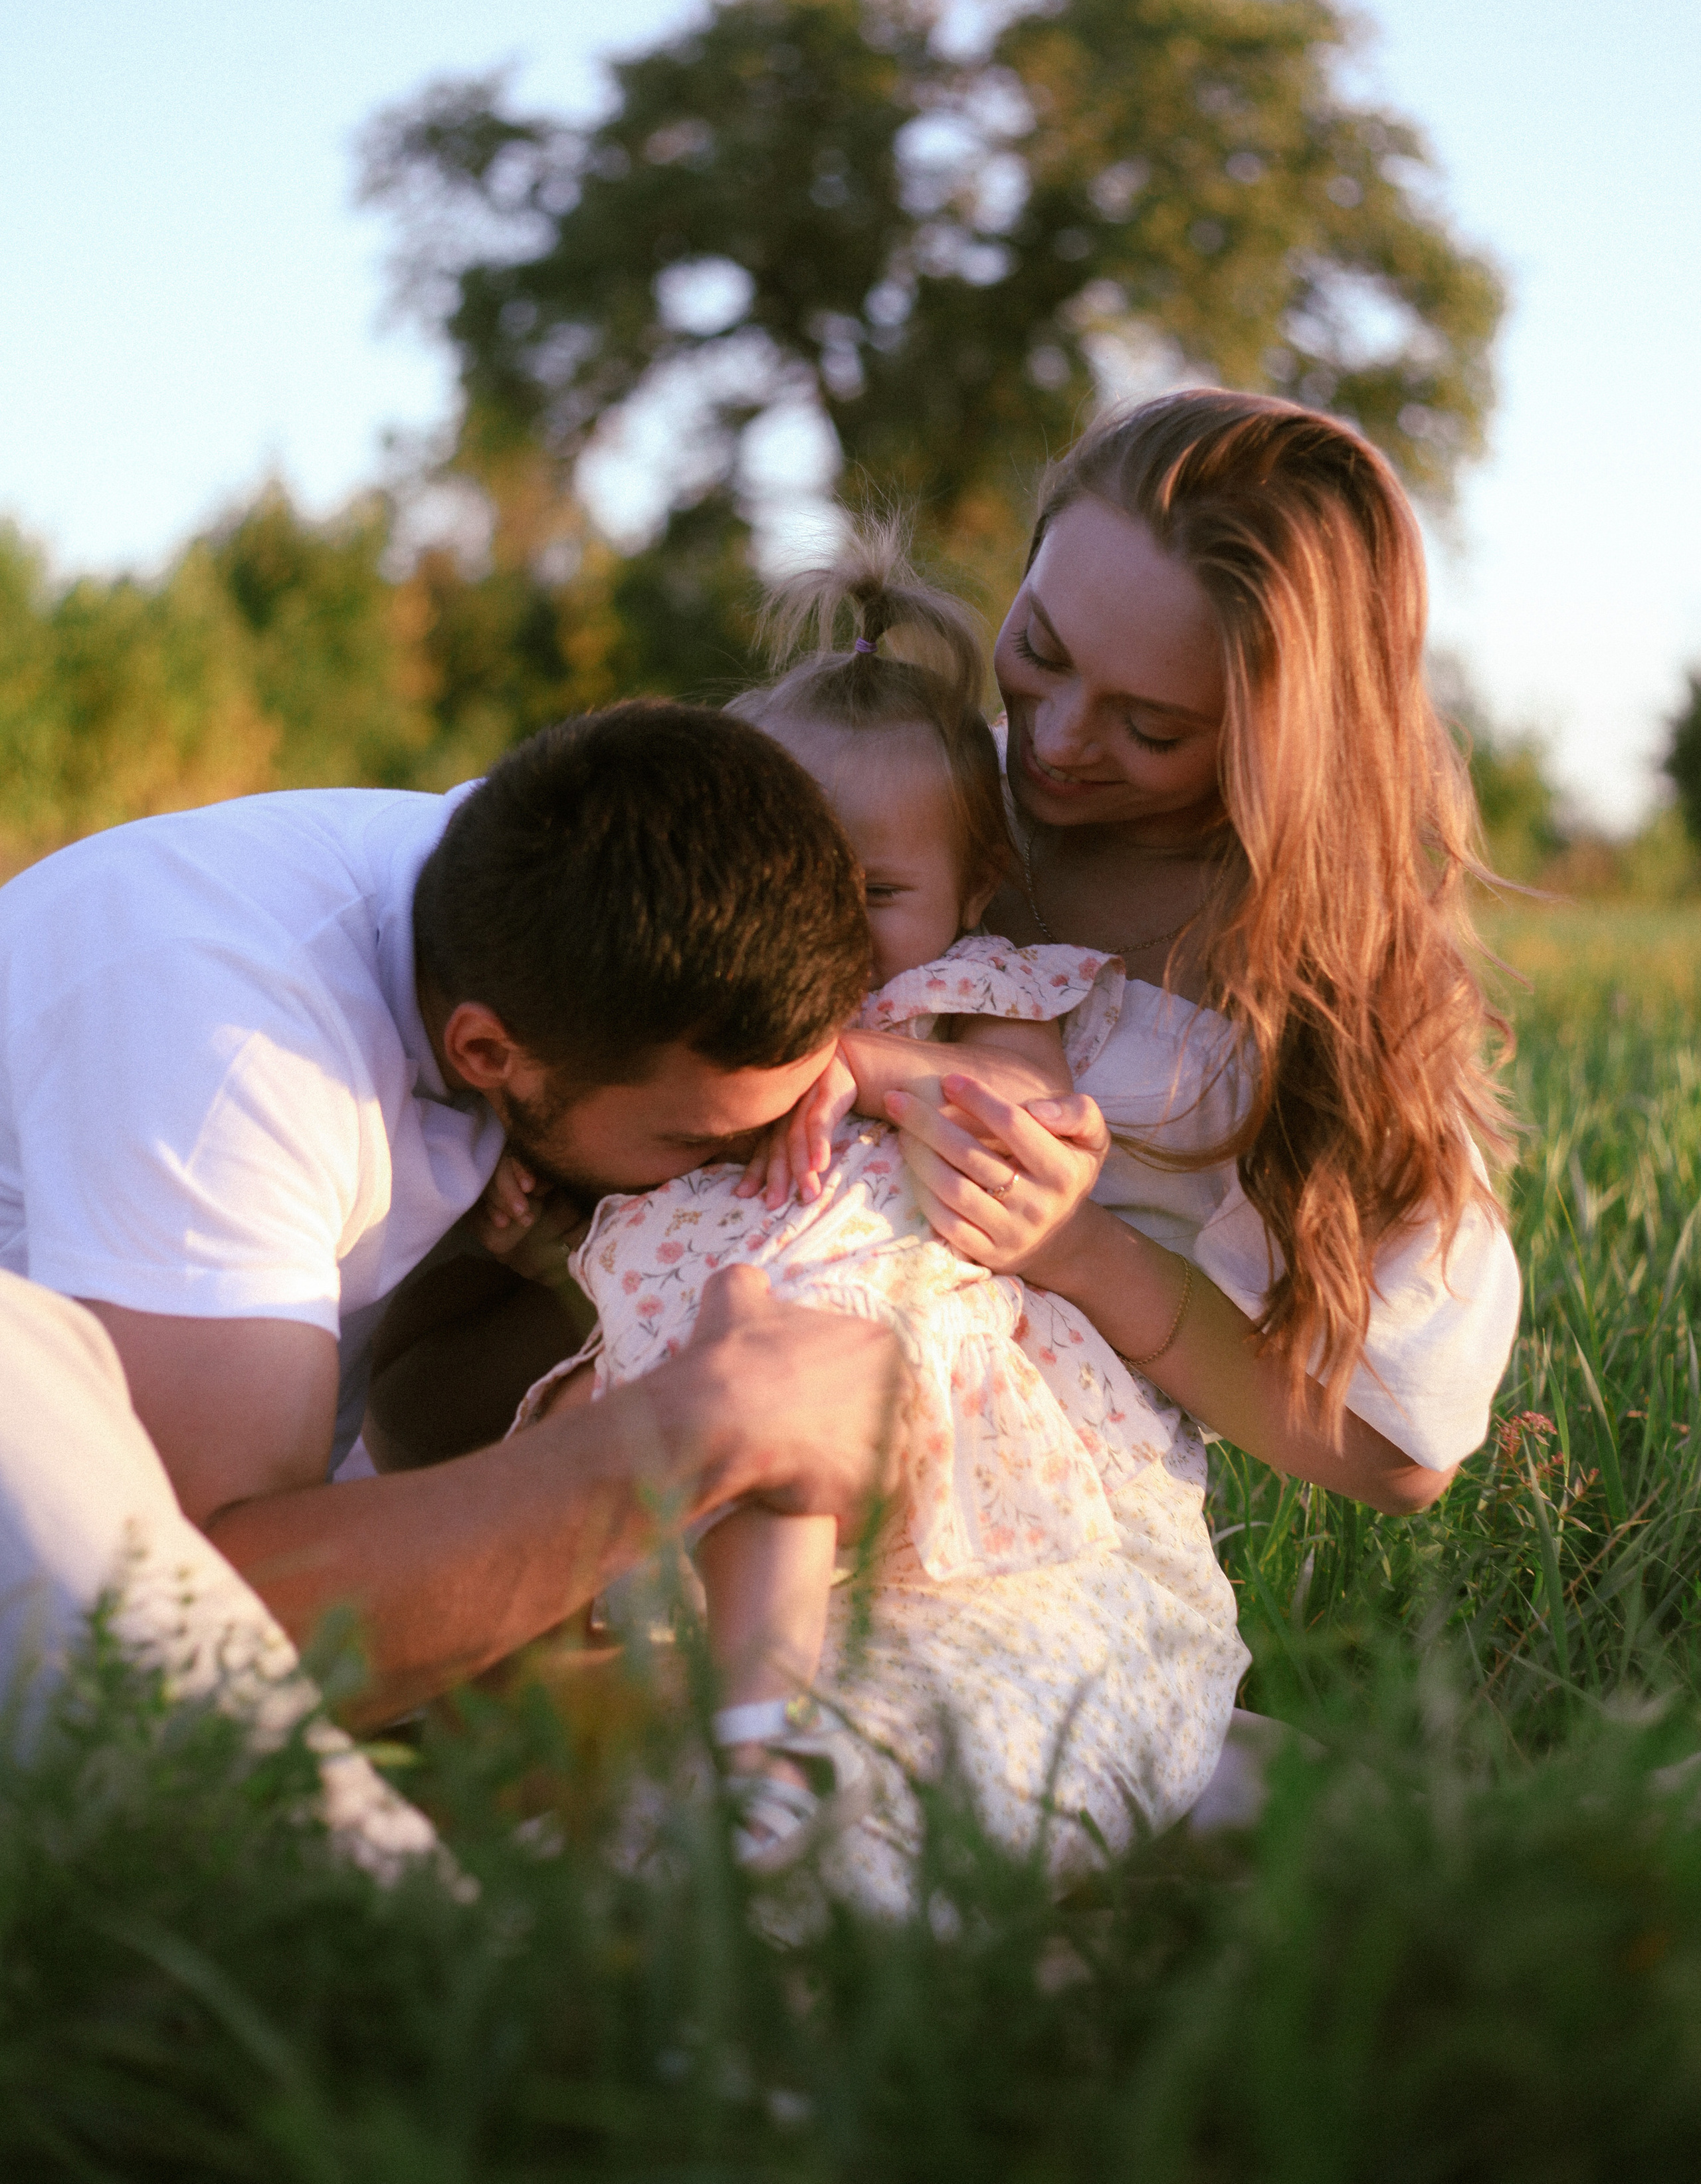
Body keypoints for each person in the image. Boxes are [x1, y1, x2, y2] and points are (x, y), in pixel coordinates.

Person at [488, 538, 1247, 1894]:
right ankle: (633, 1714)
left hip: (886, 1342)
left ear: (972, 886)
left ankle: (757, 1750)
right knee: (588, 1456)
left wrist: (867, 1065)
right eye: (791, 878)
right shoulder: (706, 1010)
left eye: (876, 894)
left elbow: (1030, 1121)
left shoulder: (983, 993)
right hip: (706, 1335)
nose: (824, 927)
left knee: (782, 1432)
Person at [0, 705, 902, 1800]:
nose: (720, 1167)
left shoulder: (532, 896)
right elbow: (195, 1636)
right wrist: (701, 1427)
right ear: (487, 1051)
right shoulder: (232, 1058)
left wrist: (892, 1068)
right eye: (693, 1144)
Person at [873, 389, 1522, 1510]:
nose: (1061, 738)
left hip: (1021, 1487)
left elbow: (1403, 1450)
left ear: (1282, 741)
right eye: (1038, 646)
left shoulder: (1309, 994)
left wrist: (1084, 1256)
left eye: (1152, 727)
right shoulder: (902, 792)